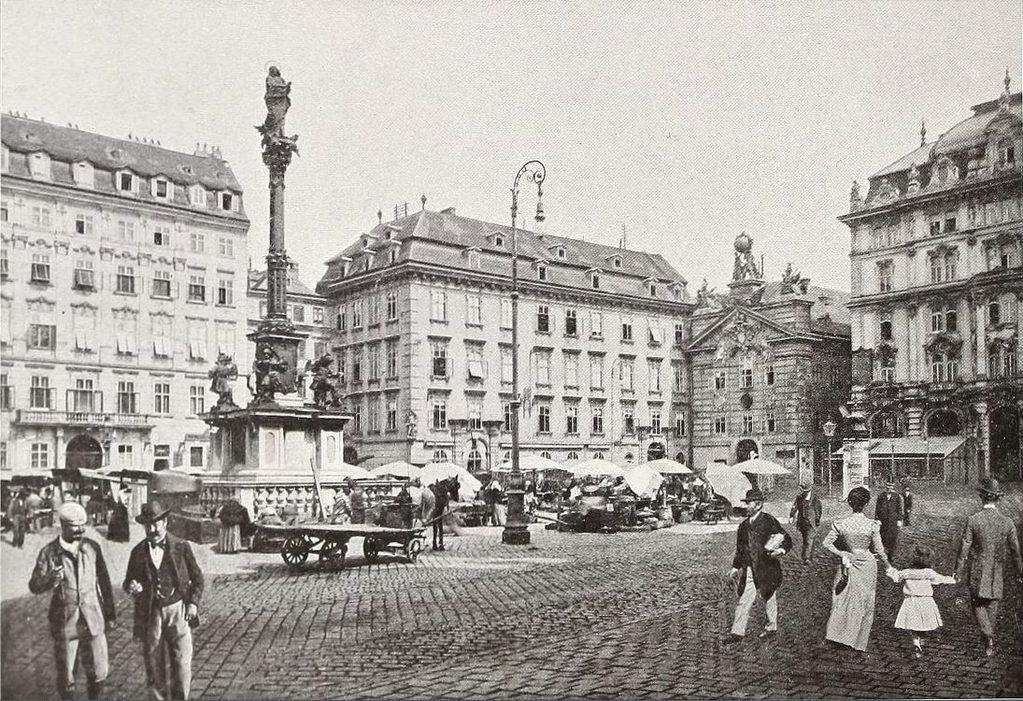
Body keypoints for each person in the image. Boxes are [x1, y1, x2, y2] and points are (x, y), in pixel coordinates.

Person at [28, 502, 116, 700]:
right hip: (65, 623)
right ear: (63, 525)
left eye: (83, 525)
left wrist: (110, 614)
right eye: (75, 526)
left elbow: (104, 582)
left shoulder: (92, 548)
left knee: (99, 670)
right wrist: (50, 579)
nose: (81, 530)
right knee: (67, 675)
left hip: (93, 619)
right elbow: (34, 585)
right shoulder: (49, 552)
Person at [124, 501, 204, 700]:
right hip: (152, 613)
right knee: (154, 663)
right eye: (148, 526)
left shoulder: (181, 546)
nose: (152, 530)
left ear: (165, 522)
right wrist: (133, 586)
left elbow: (198, 577)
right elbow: (128, 581)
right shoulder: (138, 552)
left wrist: (193, 603)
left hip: (178, 610)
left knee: (182, 662)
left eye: (156, 524)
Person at [954, 477, 1022, 657]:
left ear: (982, 497)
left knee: (977, 603)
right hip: (997, 570)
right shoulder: (1007, 522)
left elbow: (964, 548)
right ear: (997, 498)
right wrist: (1020, 572)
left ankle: (987, 634)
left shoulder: (973, 520)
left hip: (978, 569)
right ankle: (988, 639)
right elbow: (1016, 552)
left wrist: (958, 571)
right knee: (992, 604)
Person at [822, 486, 890, 652]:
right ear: (866, 503)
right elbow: (879, 550)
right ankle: (857, 638)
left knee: (843, 597)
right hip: (867, 564)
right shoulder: (872, 525)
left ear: (850, 503)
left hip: (849, 562)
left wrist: (842, 553)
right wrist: (888, 565)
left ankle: (839, 635)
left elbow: (826, 543)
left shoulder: (842, 523)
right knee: (865, 599)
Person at [724, 488, 793, 643]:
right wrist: (735, 567)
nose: (746, 506)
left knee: (769, 596)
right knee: (744, 599)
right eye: (746, 502)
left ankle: (771, 627)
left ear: (758, 504)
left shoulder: (769, 521)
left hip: (766, 567)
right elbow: (740, 549)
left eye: (749, 503)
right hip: (749, 568)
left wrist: (780, 550)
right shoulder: (743, 526)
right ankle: (737, 632)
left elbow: (786, 539)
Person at [886, 545, 956, 658]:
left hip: (911, 601)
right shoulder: (929, 573)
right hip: (926, 601)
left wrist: (890, 569)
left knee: (913, 624)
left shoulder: (906, 572)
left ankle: (916, 642)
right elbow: (941, 579)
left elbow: (896, 577)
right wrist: (952, 579)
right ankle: (921, 638)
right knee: (924, 622)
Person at [789, 481, 823, 563]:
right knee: (805, 539)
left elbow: (818, 510)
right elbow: (795, 507)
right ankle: (807, 556)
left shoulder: (815, 499)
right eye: (804, 491)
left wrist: (817, 519)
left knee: (809, 540)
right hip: (802, 523)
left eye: (807, 491)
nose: (805, 492)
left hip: (811, 522)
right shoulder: (799, 498)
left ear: (810, 490)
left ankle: (807, 558)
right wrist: (791, 516)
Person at [873, 479, 904, 561]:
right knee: (882, 537)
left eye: (891, 486)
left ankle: (891, 555)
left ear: (893, 486)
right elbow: (877, 508)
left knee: (892, 538)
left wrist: (899, 520)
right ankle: (882, 555)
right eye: (887, 485)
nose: (889, 488)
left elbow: (899, 509)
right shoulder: (881, 496)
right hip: (883, 521)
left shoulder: (897, 496)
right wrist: (877, 519)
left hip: (893, 521)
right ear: (885, 486)